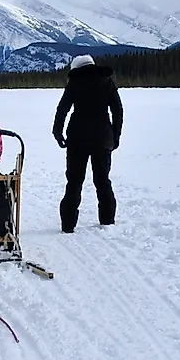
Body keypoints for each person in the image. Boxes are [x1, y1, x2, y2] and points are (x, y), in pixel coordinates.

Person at [53, 54, 123, 233]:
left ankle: (68, 225)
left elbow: (62, 109)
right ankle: (107, 221)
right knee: (103, 181)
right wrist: (115, 135)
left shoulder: (74, 83)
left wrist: (58, 132)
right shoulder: (107, 82)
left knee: (74, 181)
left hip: (77, 139)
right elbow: (117, 111)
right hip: (103, 138)